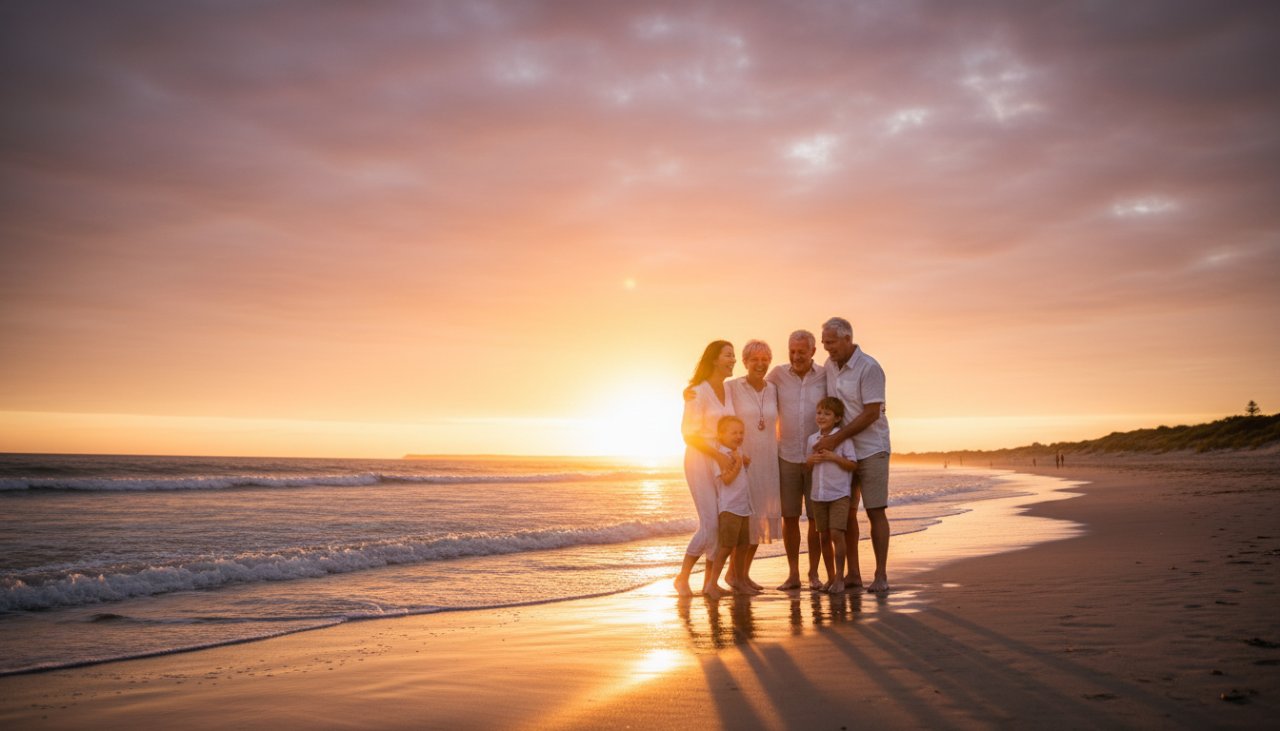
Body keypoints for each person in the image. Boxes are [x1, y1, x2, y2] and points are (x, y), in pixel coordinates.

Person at [815, 317, 892, 593]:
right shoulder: (829, 367)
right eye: (824, 343)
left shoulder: (869, 367)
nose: (827, 348)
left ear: (848, 339)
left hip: (872, 448)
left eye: (831, 342)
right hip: (844, 450)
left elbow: (872, 413)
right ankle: (853, 574)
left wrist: (836, 437)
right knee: (846, 513)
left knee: (875, 510)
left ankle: (881, 575)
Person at [767, 329, 829, 590]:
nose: (796, 356)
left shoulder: (825, 375)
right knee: (789, 518)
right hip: (787, 456)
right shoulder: (778, 375)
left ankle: (813, 574)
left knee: (816, 519)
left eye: (801, 352)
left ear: (813, 352)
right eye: (792, 351)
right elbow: (752, 387)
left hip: (816, 458)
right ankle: (793, 574)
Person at [673, 340, 737, 597]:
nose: (734, 360)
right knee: (710, 523)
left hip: (723, 458)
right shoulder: (697, 392)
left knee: (723, 522)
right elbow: (688, 434)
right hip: (700, 457)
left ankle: (710, 583)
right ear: (714, 359)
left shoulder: (729, 389)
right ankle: (682, 577)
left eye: (734, 356)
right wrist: (717, 457)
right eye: (728, 355)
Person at [726, 339, 781, 591]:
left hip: (768, 462)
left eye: (764, 359)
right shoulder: (732, 387)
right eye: (754, 359)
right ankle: (734, 576)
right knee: (743, 522)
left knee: (758, 520)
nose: (760, 364)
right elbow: (720, 417)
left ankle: (743, 575)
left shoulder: (773, 389)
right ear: (745, 362)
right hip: (743, 462)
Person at [806, 397, 858, 593]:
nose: (821, 417)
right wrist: (811, 460)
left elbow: (853, 464)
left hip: (838, 494)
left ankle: (839, 578)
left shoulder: (843, 438)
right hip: (818, 495)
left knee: (837, 533)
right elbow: (807, 465)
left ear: (837, 418)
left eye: (827, 414)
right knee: (824, 537)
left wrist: (833, 457)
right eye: (819, 412)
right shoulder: (812, 439)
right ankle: (829, 578)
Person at [703, 416, 757, 600]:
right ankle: (711, 584)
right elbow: (726, 480)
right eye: (733, 432)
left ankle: (740, 581)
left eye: (741, 432)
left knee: (743, 546)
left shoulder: (737, 452)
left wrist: (744, 464)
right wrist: (738, 464)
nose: (739, 436)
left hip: (743, 507)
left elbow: (741, 478)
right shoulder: (721, 455)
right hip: (729, 509)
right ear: (721, 434)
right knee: (726, 547)